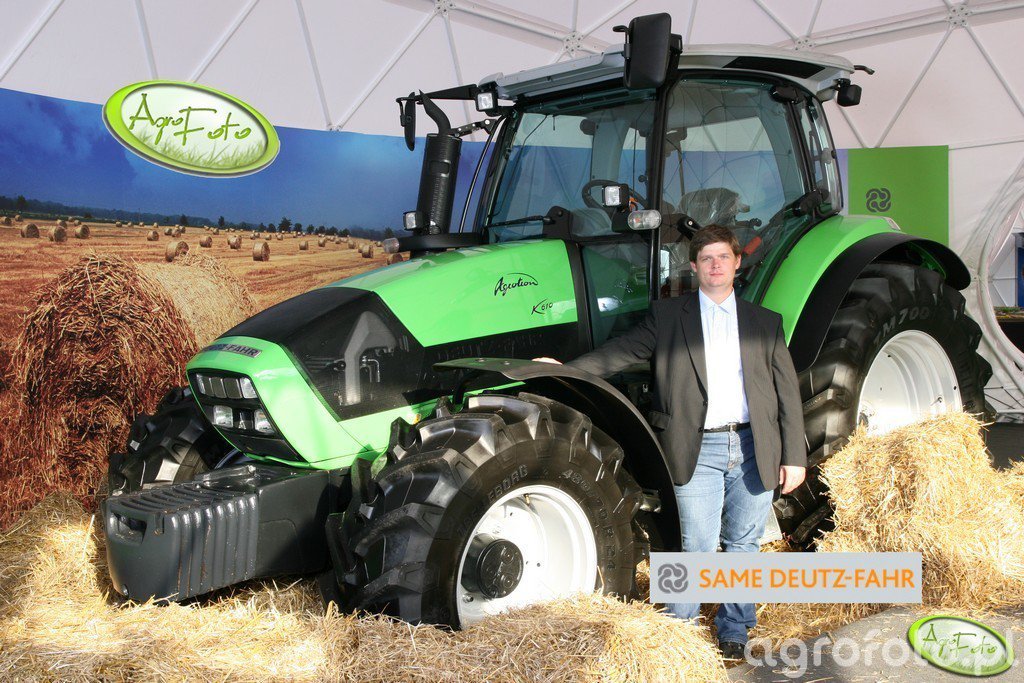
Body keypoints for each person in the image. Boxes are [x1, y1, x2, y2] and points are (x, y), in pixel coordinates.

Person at [536, 225, 806, 660]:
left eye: (723, 257)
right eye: (707, 258)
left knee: (744, 544)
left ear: (738, 263)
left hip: (755, 446)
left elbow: (786, 393)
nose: (715, 265)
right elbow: (621, 352)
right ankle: (678, 633)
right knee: (693, 543)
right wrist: (566, 370)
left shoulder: (765, 322)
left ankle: (735, 628)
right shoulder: (667, 317)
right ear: (694, 266)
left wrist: (794, 455)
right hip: (696, 447)